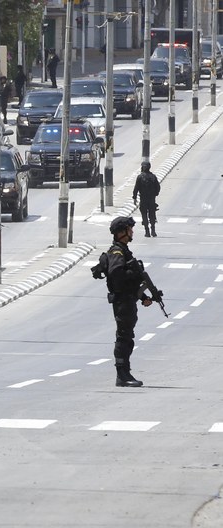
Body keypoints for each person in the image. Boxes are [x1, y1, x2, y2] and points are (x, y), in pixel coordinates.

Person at [105, 216, 153, 387]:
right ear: (121, 232)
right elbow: (117, 276)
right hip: (122, 301)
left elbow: (131, 284)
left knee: (127, 337)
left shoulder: (124, 250)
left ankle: (125, 371)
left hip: (128, 299)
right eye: (129, 229)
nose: (132, 232)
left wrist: (143, 297)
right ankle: (122, 374)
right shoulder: (117, 252)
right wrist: (133, 274)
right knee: (123, 337)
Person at [132, 161, 160, 237]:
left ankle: (147, 231)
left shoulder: (140, 177)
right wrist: (155, 194)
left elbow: (136, 188)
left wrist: (134, 198)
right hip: (151, 199)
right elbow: (158, 187)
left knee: (144, 215)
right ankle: (153, 231)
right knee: (152, 214)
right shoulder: (153, 176)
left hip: (143, 199)